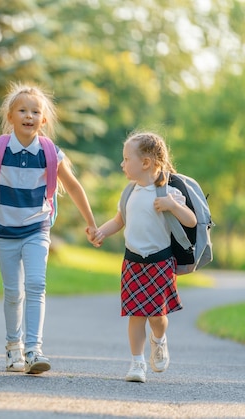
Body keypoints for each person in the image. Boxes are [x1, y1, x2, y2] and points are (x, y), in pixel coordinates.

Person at [0, 83, 98, 374]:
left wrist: (91, 222)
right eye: (22, 110)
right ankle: (14, 348)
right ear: (10, 116)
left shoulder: (50, 153)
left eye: (36, 111)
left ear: (43, 120)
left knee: (36, 285)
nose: (29, 115)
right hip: (3, 229)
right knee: (13, 293)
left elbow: (72, 185)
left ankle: (34, 350)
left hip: (37, 227)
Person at [90, 132, 196, 383]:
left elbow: (191, 221)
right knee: (136, 315)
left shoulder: (168, 193)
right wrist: (100, 232)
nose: (122, 164)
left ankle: (158, 340)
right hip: (133, 263)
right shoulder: (129, 192)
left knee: (157, 318)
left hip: (160, 263)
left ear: (146, 162)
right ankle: (137, 363)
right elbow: (119, 220)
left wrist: (172, 206)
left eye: (127, 159)